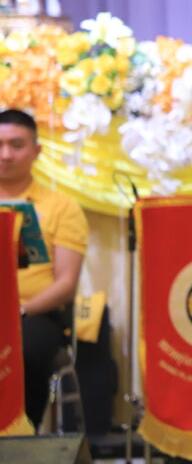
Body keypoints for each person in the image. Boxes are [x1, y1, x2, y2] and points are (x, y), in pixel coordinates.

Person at [0, 108, 89, 429]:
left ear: (36, 151)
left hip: (34, 314)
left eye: (16, 145)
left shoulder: (61, 207)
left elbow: (66, 283)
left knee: (28, 348)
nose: (6, 155)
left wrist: (21, 311)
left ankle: (22, 432)